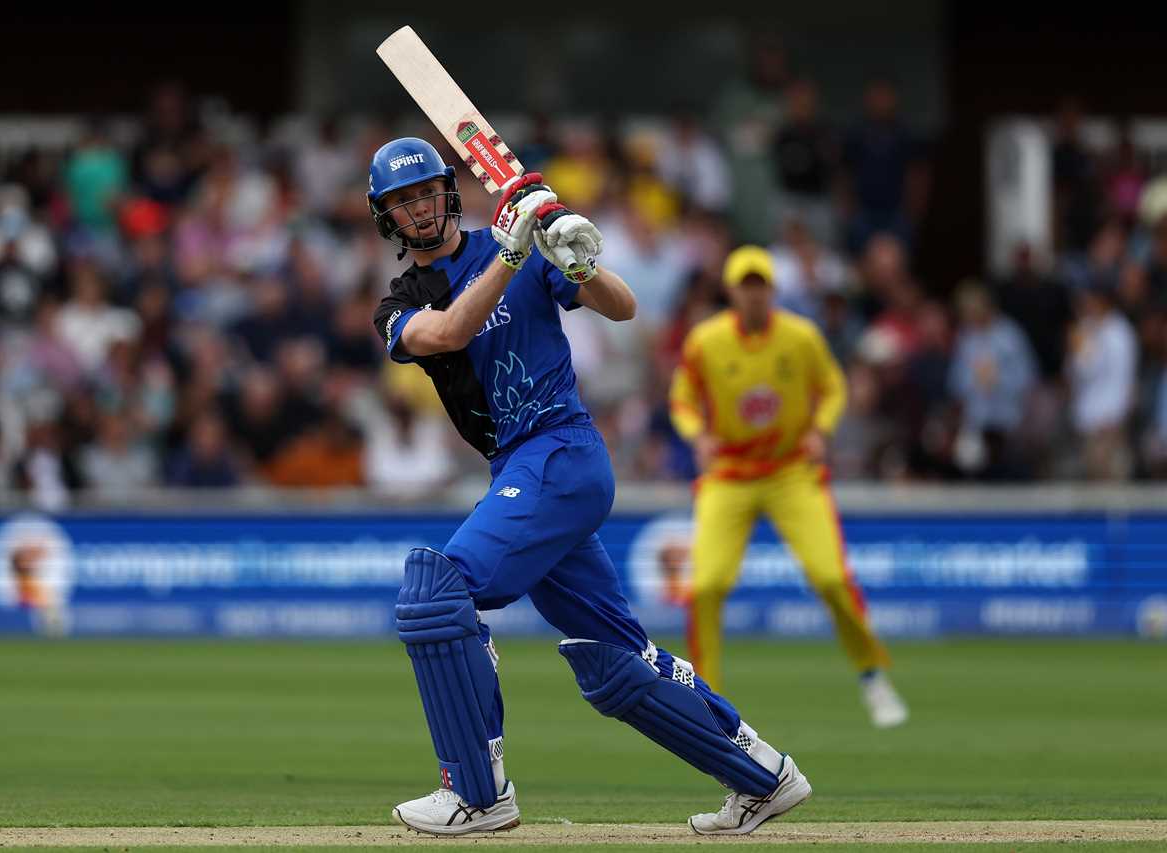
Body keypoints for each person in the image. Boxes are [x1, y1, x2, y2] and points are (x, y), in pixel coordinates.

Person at [368, 139, 811, 837]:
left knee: (436, 591)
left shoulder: (515, 247)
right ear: (385, 217)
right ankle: (762, 775)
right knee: (614, 664)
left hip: (560, 450)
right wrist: (516, 253)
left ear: (449, 193)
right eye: (402, 201)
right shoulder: (400, 303)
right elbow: (451, 331)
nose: (418, 208)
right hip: (521, 467)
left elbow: (624, 305)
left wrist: (577, 261)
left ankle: (478, 795)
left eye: (426, 191)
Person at [668, 245, 908, 729]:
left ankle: (872, 674)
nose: (754, 295)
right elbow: (683, 399)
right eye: (745, 285)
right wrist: (699, 436)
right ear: (732, 290)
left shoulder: (800, 338)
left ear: (772, 290)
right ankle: (706, 699)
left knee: (832, 578)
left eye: (761, 286)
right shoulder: (706, 342)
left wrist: (822, 427)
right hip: (730, 475)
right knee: (707, 585)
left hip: (790, 470)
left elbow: (834, 387)